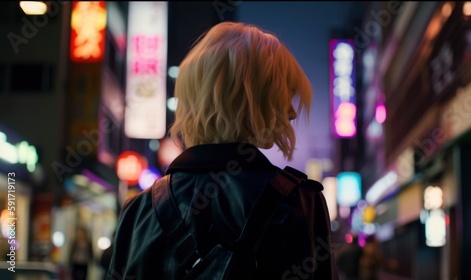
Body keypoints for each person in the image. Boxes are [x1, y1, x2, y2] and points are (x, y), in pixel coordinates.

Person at [107, 21, 339, 279]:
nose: (292, 112)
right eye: (284, 95)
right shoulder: (298, 202)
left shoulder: (139, 211)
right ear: (252, 99)